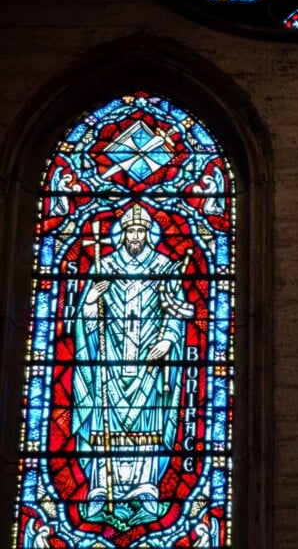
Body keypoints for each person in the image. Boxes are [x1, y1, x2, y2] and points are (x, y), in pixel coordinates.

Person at [72, 204, 194, 526]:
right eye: (130, 231)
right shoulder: (105, 266)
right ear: (122, 234)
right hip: (110, 363)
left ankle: (144, 488)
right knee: (105, 422)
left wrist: (167, 341)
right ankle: (100, 489)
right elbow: (85, 321)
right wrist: (89, 302)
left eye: (141, 231)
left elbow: (175, 313)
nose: (136, 237)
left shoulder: (165, 268)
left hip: (149, 366)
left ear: (149, 235)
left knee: (148, 426)